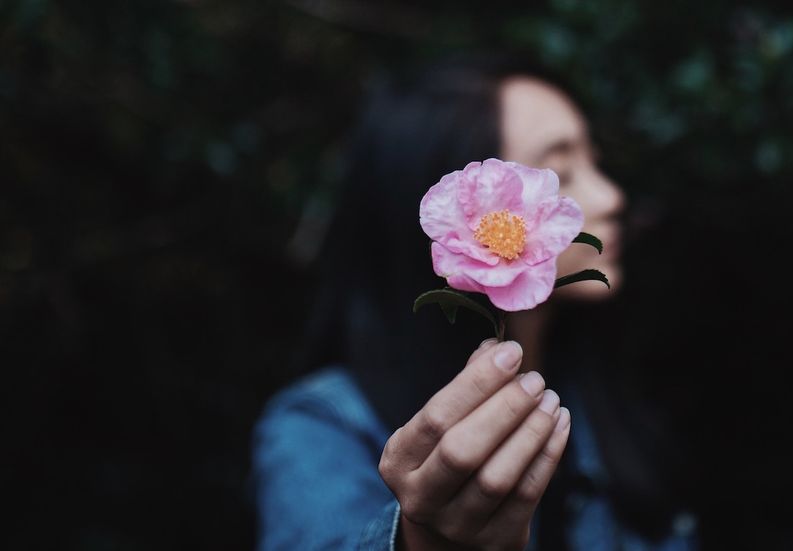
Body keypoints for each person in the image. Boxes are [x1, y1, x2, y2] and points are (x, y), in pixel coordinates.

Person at [252, 56, 697, 550]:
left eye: (595, 161)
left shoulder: (599, 400)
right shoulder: (320, 429)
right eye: (563, 171)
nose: (611, 197)